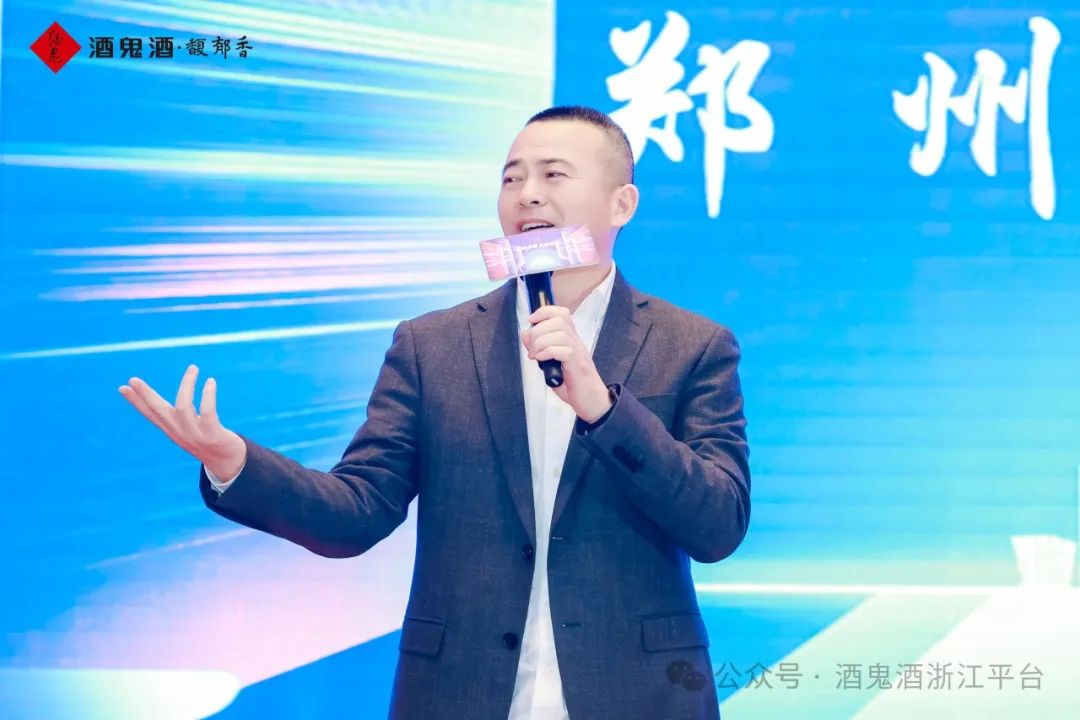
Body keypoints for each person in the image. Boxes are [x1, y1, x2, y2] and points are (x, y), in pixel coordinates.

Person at [119, 105, 751, 720]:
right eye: (511, 178)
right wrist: (234, 463)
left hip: (639, 695)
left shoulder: (691, 346)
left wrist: (605, 410)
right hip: (460, 693)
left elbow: (718, 525)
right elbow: (357, 511)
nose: (527, 194)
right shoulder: (433, 346)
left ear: (622, 204)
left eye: (554, 174)